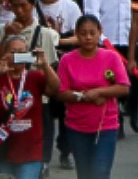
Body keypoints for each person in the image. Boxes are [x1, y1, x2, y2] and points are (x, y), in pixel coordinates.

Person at [56, 15, 129, 179]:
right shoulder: (67, 60)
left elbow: (123, 87)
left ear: (100, 32)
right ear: (76, 34)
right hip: (77, 126)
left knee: (100, 172)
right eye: (83, 33)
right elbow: (61, 93)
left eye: (92, 33)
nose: (88, 37)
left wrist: (100, 92)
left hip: (106, 126)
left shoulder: (111, 57)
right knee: (84, 173)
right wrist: (83, 96)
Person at [0, 33, 59, 179]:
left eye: (22, 52)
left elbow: (55, 88)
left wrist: (45, 64)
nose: (18, 56)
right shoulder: (0, 78)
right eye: (13, 52)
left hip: (31, 151)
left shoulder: (35, 77)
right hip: (2, 149)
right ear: (5, 54)